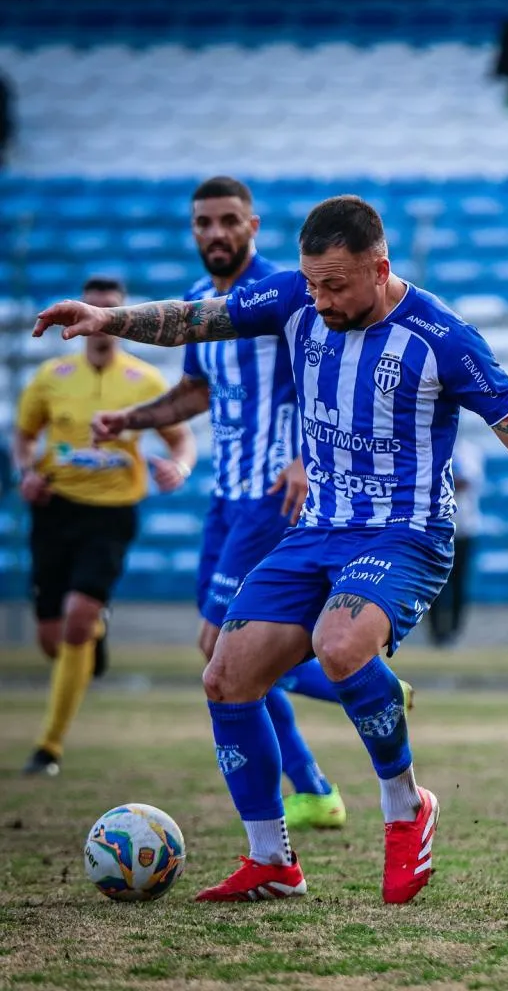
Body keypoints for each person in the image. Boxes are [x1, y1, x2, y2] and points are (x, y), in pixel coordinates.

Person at [35, 194, 508, 905]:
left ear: (380, 269)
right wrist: (108, 319)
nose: (318, 299)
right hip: (315, 530)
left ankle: (406, 807)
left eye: (336, 286)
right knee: (225, 677)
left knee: (341, 642)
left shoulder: (443, 338)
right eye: (312, 283)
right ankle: (272, 861)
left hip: (404, 532)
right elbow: (196, 319)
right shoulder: (296, 296)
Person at [91, 176, 358, 831]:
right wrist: (131, 418)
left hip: (275, 491)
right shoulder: (191, 301)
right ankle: (325, 758)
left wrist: (303, 456)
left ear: (253, 225)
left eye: (228, 221)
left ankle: (346, 711)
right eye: (203, 223)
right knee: (222, 652)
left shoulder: (288, 294)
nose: (215, 233)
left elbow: (332, 379)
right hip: (225, 495)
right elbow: (194, 394)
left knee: (222, 647)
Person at [15, 276, 196, 777]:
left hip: (112, 514)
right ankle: (96, 628)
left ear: (121, 321)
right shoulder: (51, 377)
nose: (98, 324)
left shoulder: (143, 382)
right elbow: (25, 438)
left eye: (111, 313)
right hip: (55, 511)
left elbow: (181, 442)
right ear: (74, 319)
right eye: (88, 311)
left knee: (76, 617)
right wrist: (25, 472)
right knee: (54, 639)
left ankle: (49, 746)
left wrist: (177, 467)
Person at [428, 436, 483, 647]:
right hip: (436, 528)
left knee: (459, 580)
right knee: (433, 584)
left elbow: (466, 482)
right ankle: (436, 632)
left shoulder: (470, 451)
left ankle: (454, 629)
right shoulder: (431, 444)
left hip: (464, 527)